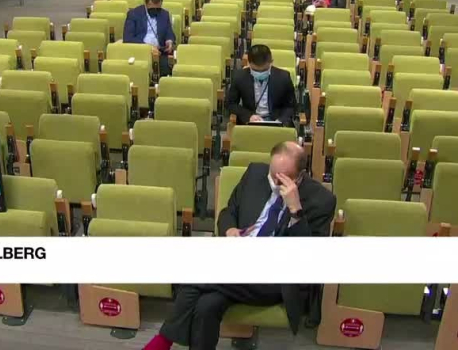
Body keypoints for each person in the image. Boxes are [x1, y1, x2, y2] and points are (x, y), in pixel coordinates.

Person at [143, 141, 336, 350]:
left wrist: (296, 211)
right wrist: (230, 230)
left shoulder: (322, 200)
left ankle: (162, 342)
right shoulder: (255, 173)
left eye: (283, 178)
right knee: (206, 306)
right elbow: (228, 212)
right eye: (273, 174)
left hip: (276, 277)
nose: (274, 182)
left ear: (299, 176)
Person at [226, 44, 297, 127]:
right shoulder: (239, 77)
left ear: (271, 62)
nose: (260, 73)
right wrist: (249, 116)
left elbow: (291, 106)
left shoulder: (283, 77)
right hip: (250, 122)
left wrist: (280, 120)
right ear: (249, 63)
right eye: (255, 70)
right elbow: (231, 104)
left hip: (277, 121)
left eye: (264, 70)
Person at [123, 0, 176, 76]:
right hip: (139, 52)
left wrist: (169, 41)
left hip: (159, 52)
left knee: (168, 68)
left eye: (157, 9)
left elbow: (169, 32)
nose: (155, 11)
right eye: (152, 9)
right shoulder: (133, 14)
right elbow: (128, 39)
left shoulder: (164, 14)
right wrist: (148, 48)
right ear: (146, 4)